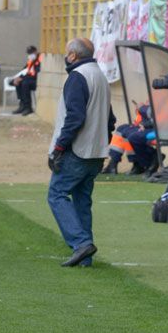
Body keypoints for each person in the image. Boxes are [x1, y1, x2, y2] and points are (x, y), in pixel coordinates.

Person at [46, 38, 116, 268]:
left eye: (68, 53)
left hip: (78, 151)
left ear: (73, 56)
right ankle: (85, 256)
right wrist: (102, 141)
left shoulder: (78, 77)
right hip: (96, 152)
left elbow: (74, 118)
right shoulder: (100, 76)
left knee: (56, 195)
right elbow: (111, 120)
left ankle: (81, 243)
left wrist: (58, 148)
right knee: (82, 201)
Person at [103, 104, 159, 175]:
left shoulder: (160, 100)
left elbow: (159, 118)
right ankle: (113, 162)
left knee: (130, 136)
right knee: (121, 128)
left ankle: (139, 163)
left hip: (152, 128)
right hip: (144, 126)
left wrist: (144, 124)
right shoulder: (152, 100)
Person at [10, 45, 40, 116]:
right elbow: (24, 71)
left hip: (37, 81)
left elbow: (36, 74)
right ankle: (22, 105)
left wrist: (22, 78)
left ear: (36, 52)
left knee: (25, 83)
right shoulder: (30, 61)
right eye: (29, 53)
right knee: (18, 82)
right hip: (28, 79)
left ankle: (28, 107)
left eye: (31, 53)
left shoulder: (40, 60)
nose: (30, 55)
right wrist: (17, 78)